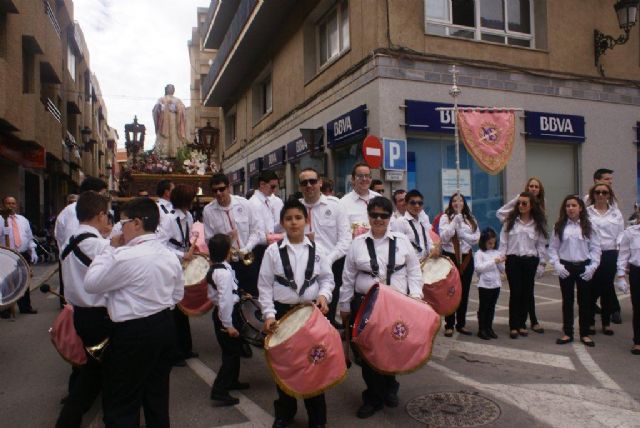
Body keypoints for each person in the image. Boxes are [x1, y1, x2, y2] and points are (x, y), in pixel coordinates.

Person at [84, 197, 183, 427]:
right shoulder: (169, 254)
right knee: (157, 397)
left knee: (123, 403)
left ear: (137, 223)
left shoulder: (124, 256)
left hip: (133, 332)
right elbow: (177, 295)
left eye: (123, 223)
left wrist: (109, 249)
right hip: (165, 324)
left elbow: (91, 283)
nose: (120, 229)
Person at [340, 196, 422, 419]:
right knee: (367, 353)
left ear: (390, 217)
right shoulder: (357, 244)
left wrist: (415, 296)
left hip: (396, 304)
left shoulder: (403, 241)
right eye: (374, 215)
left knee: (393, 348)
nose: (378, 219)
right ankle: (373, 397)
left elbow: (414, 271)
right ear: (368, 216)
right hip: (365, 305)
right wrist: (345, 304)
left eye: (383, 215)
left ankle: (389, 386)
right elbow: (348, 277)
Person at [258, 199, 334, 428]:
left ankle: (317, 418)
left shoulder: (319, 250)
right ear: (282, 223)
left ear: (306, 221)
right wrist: (269, 315)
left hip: (311, 313)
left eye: (298, 218)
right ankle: (285, 412)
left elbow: (327, 280)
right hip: (283, 313)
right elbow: (264, 286)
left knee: (314, 364)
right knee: (286, 366)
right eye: (289, 219)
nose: (294, 223)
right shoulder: (272, 252)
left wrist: (324, 295)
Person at [56, 191, 113, 428]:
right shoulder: (99, 246)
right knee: (104, 373)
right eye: (107, 214)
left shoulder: (69, 242)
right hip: (100, 316)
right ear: (100, 215)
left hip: (80, 314)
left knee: (94, 372)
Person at [298, 167, 351, 328]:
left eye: (312, 181)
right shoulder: (295, 208)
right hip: (302, 267)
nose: (309, 185)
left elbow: (345, 240)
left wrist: (327, 259)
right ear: (300, 187)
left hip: (332, 265)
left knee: (327, 310)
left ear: (320, 183)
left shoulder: (336, 206)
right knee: (304, 313)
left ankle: (327, 345)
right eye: (304, 182)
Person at [548, 195, 600, 347]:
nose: (570, 208)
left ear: (581, 208)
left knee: (585, 302)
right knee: (567, 301)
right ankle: (567, 333)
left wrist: (593, 266)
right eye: (568, 206)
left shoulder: (589, 226)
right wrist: (557, 265)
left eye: (574, 205)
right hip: (566, 267)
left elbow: (596, 248)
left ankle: (584, 334)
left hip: (584, 266)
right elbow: (552, 248)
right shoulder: (559, 226)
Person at [206, 233, 249, 405]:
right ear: (226, 252)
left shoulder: (223, 268)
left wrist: (242, 293)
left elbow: (231, 290)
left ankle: (232, 381)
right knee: (230, 354)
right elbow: (224, 301)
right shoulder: (222, 273)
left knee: (234, 350)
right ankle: (220, 390)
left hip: (230, 312)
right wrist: (228, 325)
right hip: (226, 315)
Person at [203, 173, 261, 297]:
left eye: (222, 189)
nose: (218, 193)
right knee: (231, 298)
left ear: (228, 187)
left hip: (247, 258)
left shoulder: (244, 204)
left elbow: (256, 231)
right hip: (227, 263)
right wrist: (226, 242)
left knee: (252, 297)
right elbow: (209, 240)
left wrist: (246, 249)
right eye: (215, 190)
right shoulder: (208, 210)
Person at [499, 192, 548, 339]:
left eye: (524, 203)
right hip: (513, 260)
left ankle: (522, 324)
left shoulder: (537, 223)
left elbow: (541, 245)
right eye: (519, 203)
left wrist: (542, 263)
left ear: (531, 205)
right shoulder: (510, 221)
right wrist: (501, 262)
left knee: (527, 293)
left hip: (530, 261)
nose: (521, 206)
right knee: (515, 293)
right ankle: (513, 325)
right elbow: (503, 243)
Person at [55, 177, 109, 309]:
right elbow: (81, 243)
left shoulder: (73, 212)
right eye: (102, 194)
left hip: (80, 300)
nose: (105, 197)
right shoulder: (74, 211)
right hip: (91, 304)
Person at [165, 184, 199, 365]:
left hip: (183, 264)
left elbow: (188, 239)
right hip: (172, 265)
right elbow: (161, 245)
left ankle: (186, 348)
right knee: (174, 311)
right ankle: (174, 353)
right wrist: (181, 255)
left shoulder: (189, 217)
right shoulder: (168, 219)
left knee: (183, 309)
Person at [439, 193, 479, 337]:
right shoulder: (445, 217)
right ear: (451, 203)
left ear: (464, 203)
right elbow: (443, 238)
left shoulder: (470, 218)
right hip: (450, 257)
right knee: (450, 291)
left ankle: (461, 323)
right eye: (454, 200)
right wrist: (453, 223)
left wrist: (464, 235)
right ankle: (449, 324)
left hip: (466, 257)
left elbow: (476, 238)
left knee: (464, 291)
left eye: (460, 200)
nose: (457, 202)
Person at [586, 183, 623, 335]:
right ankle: (590, 322)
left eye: (604, 192)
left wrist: (620, 256)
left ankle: (606, 323)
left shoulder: (616, 213)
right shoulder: (587, 212)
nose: (601, 195)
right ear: (593, 194)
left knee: (607, 287)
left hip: (609, 253)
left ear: (609, 195)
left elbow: (620, 235)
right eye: (597, 192)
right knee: (591, 287)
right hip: (591, 253)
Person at [1, 196, 38, 314]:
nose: (11, 206)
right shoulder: (1, 220)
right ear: (3, 205)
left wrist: (32, 250)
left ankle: (25, 307)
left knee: (23, 281)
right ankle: (6, 309)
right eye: (8, 203)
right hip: (7, 254)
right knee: (6, 283)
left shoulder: (23, 220)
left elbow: (29, 237)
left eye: (13, 203)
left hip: (22, 255)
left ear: (16, 205)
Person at [474, 228, 504, 340]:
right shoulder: (479, 254)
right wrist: (493, 262)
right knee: (484, 307)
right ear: (483, 242)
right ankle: (481, 329)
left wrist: (502, 262)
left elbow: (501, 268)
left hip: (496, 284)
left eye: (494, 242)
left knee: (491, 307)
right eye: (489, 243)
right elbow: (478, 268)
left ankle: (489, 327)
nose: (492, 245)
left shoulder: (497, 253)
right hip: (485, 285)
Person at [615, 222, 640, 355]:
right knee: (638, 307)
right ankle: (638, 342)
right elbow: (623, 255)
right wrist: (621, 276)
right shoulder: (631, 232)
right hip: (637, 272)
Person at [391, 189, 435, 262]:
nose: (417, 206)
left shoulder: (423, 220)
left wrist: (433, 249)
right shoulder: (400, 222)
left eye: (420, 203)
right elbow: (397, 247)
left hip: (426, 262)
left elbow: (428, 241)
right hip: (410, 265)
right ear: (406, 204)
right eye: (413, 203)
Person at [338, 163, 381, 236]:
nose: (364, 179)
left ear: (371, 179)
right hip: (355, 246)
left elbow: (390, 224)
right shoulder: (343, 203)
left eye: (367, 176)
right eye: (360, 176)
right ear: (353, 179)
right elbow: (342, 233)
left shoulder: (379, 198)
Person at [152, 84, 189, 158]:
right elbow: (155, 109)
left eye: (172, 88)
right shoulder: (161, 99)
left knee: (174, 134)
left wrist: (177, 108)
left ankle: (175, 153)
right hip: (164, 121)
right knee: (164, 137)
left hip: (174, 120)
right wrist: (160, 108)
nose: (171, 89)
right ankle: (163, 153)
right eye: (169, 88)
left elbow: (183, 110)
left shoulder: (177, 100)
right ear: (166, 89)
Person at [249, 170, 284, 242]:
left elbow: (269, 229)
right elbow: (258, 234)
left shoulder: (265, 201)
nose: (274, 190)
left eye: (276, 187)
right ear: (262, 184)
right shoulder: (255, 204)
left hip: (268, 243)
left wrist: (282, 223)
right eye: (272, 187)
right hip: (261, 247)